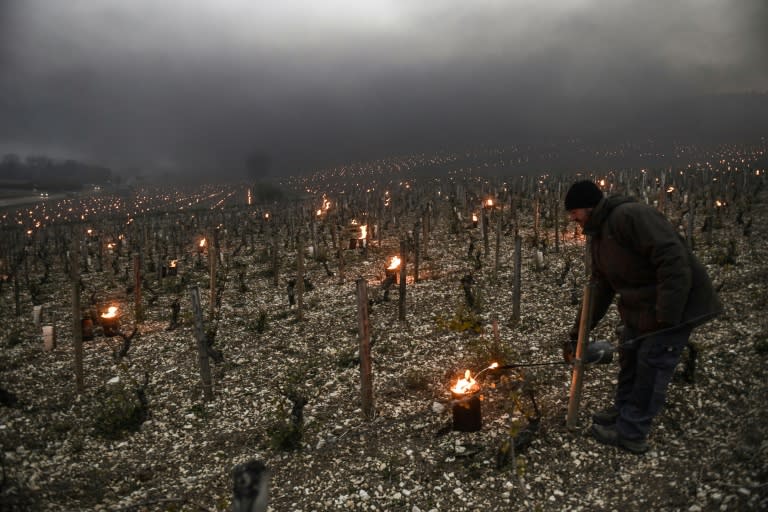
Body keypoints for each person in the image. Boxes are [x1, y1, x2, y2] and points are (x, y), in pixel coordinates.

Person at [563, 179, 722, 454]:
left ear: (589, 206)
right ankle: (623, 410)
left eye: (574, 211)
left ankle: (632, 432)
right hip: (641, 309)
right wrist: (579, 333)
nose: (572, 218)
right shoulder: (599, 235)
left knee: (652, 366)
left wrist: (667, 315)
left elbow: (672, 259)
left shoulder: (631, 216)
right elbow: (600, 288)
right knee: (631, 358)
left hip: (674, 307)